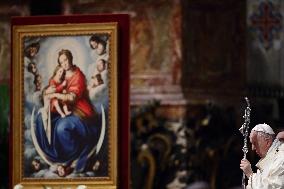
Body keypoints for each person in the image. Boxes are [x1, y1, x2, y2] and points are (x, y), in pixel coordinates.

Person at [33, 49, 101, 176]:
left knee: (62, 128)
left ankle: (68, 156)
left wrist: (54, 94)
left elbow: (72, 98)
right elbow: (52, 86)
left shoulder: (78, 75)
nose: (64, 63)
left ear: (70, 58)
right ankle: (54, 154)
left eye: (65, 59)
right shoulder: (62, 73)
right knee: (40, 120)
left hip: (80, 112)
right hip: (64, 109)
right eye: (61, 61)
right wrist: (47, 92)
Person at [240, 123, 284, 188]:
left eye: (255, 143)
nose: (252, 148)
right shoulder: (269, 158)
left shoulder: (281, 158)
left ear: (267, 142)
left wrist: (250, 174)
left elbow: (274, 187)